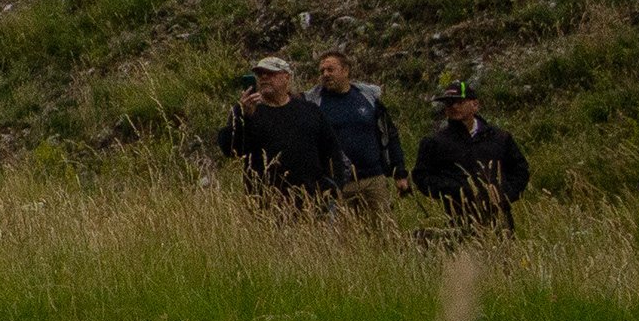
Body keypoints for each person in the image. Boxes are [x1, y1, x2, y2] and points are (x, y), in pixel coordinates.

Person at [408, 77, 531, 235]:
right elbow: (421, 176)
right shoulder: (435, 142)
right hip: (458, 217)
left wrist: (505, 195)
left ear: (475, 104)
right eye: (448, 103)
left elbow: (520, 169)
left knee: (502, 248)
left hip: (499, 217)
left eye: (459, 102)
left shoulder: (499, 138)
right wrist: (451, 190)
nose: (453, 107)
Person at [222, 56, 341, 202]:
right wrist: (245, 117)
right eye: (260, 74)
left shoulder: (308, 110)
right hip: (266, 200)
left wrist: (333, 187)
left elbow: (332, 151)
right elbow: (230, 149)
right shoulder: (246, 111)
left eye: (271, 73)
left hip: (310, 200)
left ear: (286, 77)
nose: (264, 78)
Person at [311, 50, 404, 220]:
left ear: (346, 70)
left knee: (386, 230)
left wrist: (400, 172)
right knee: (345, 235)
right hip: (339, 185)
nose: (325, 74)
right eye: (322, 71)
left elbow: (389, 135)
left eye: (330, 69)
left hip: (374, 179)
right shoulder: (314, 102)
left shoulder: (367, 98)